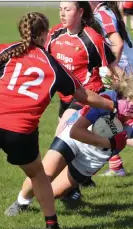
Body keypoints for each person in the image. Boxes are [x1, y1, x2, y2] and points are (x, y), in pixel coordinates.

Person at [0, 12, 125, 229]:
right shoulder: (54, 65)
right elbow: (83, 95)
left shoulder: (5, 50)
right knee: (38, 175)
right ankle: (51, 225)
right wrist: (113, 106)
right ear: (44, 35)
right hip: (20, 131)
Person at [5, 69, 133, 217]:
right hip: (72, 140)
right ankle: (21, 202)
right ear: (130, 98)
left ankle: (67, 192)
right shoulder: (106, 101)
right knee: (43, 175)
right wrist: (109, 142)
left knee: (50, 194)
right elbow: (75, 132)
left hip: (93, 157)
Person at [45, 1, 120, 136]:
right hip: (65, 96)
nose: (62, 14)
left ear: (80, 12)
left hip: (87, 95)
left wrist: (124, 90)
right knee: (83, 144)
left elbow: (113, 68)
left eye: (67, 10)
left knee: (60, 137)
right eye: (60, 9)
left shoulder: (93, 39)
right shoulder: (54, 34)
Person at [90, 1, 133, 178]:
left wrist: (111, 69)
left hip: (118, 67)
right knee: (111, 118)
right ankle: (115, 165)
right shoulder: (107, 10)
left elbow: (117, 44)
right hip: (122, 65)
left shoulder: (101, 13)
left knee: (105, 118)